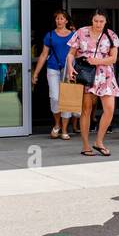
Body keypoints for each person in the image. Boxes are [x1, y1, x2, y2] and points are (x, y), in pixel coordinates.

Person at [66, 9, 119, 156]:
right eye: (96, 21)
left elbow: (114, 58)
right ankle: (85, 145)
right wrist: (70, 67)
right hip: (86, 74)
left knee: (109, 109)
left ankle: (99, 141)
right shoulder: (81, 32)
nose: (98, 24)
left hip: (105, 75)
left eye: (101, 21)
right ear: (91, 20)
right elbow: (71, 54)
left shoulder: (111, 35)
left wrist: (98, 61)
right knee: (86, 110)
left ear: (105, 21)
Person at [31, 10, 79, 140]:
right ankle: (57, 124)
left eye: (62, 18)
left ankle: (64, 129)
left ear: (66, 21)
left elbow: (78, 53)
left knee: (67, 98)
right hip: (53, 68)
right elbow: (43, 55)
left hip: (68, 69)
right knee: (54, 97)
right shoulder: (50, 35)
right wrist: (35, 73)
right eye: (57, 19)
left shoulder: (74, 35)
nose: (59, 21)